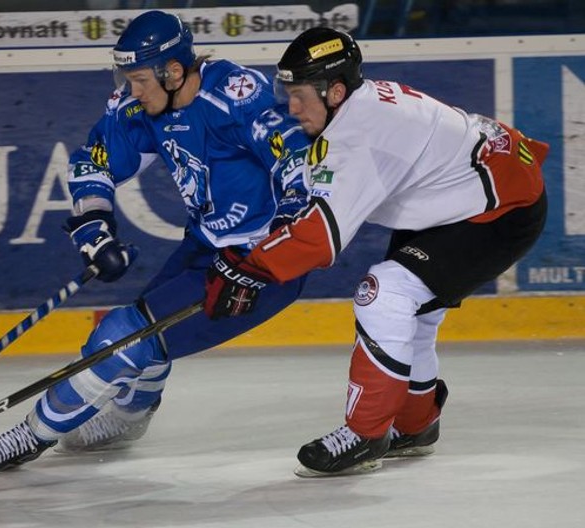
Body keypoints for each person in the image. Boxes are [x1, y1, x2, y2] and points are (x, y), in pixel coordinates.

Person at [0, 10, 313, 471]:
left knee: (123, 335)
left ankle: (32, 434)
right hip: (205, 245)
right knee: (144, 344)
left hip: (263, 263)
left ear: (172, 72)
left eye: (139, 79)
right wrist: (94, 228)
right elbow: (95, 163)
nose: (132, 90)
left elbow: (300, 160)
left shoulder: (234, 94)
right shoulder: (146, 106)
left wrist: (283, 234)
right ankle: (129, 418)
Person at [204, 27, 548, 476]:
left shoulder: (359, 134)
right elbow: (314, 200)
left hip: (499, 211)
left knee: (383, 293)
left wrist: (251, 268)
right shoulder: (350, 111)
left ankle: (365, 434)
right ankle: (417, 425)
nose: (291, 106)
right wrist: (259, 255)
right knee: (413, 312)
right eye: (286, 92)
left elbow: (320, 239)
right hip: (462, 195)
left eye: (300, 95)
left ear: (336, 91)